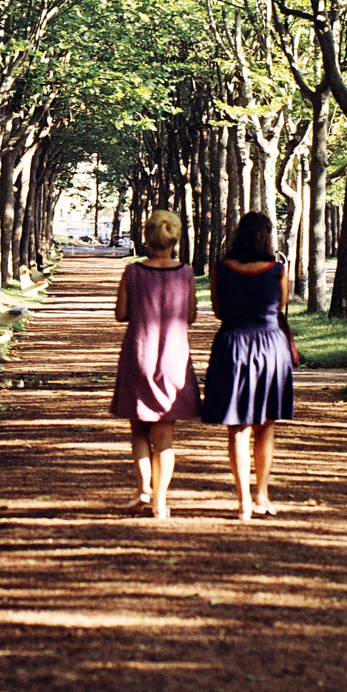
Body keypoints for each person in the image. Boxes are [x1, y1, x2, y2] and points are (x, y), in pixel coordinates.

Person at [202, 212, 294, 520]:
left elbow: (217, 310)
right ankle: (262, 496)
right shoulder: (279, 270)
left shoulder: (220, 269)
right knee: (266, 426)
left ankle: (242, 500)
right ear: (268, 237)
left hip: (232, 346)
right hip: (270, 347)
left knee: (237, 427)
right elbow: (281, 306)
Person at [109, 210, 199, 518]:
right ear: (175, 239)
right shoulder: (186, 274)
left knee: (138, 431)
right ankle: (161, 500)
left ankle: (143, 489)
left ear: (146, 239)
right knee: (164, 437)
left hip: (139, 355)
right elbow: (190, 317)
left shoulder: (132, 273)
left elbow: (120, 314)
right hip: (173, 358)